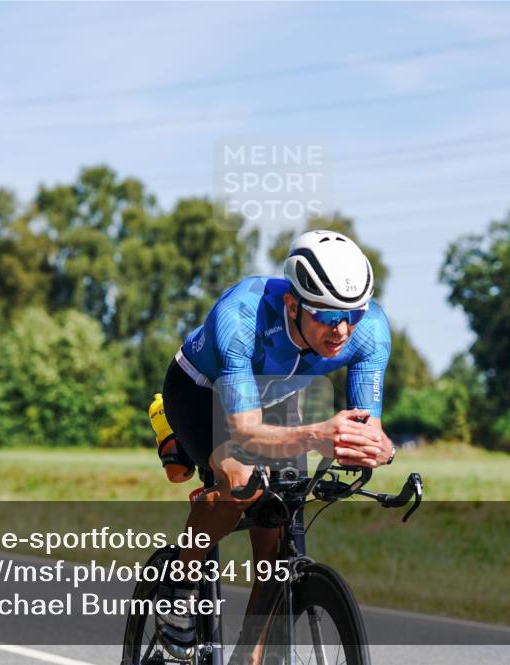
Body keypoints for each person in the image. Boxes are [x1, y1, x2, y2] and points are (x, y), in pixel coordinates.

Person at [155, 230, 395, 656]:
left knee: (277, 529)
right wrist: (318, 435)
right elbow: (244, 432)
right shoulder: (242, 315)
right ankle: (179, 580)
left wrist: (381, 448)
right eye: (325, 315)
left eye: (352, 314)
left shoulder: (369, 329)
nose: (341, 329)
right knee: (241, 482)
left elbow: (366, 429)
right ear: (292, 303)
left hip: (278, 399)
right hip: (200, 392)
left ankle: (251, 652)